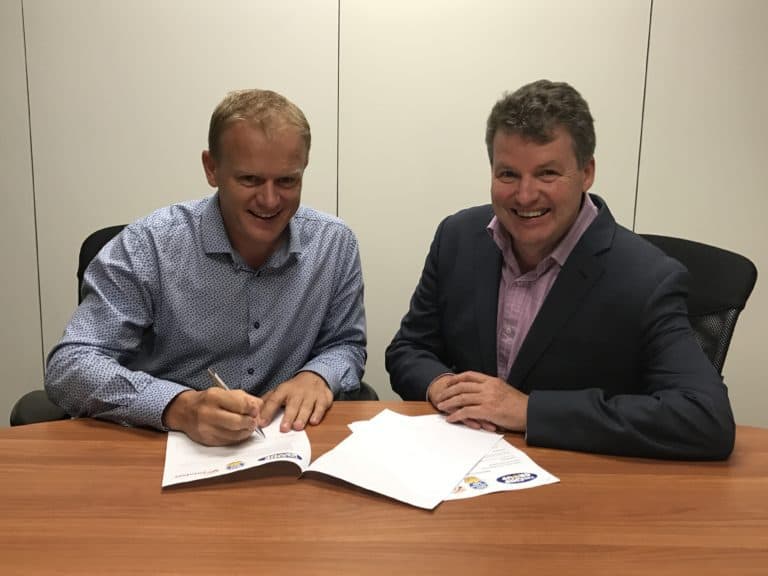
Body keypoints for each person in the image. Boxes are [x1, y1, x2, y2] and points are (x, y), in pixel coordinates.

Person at [386, 79, 734, 460]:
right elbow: (409, 347)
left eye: (547, 173)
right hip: (462, 474)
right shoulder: (457, 238)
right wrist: (440, 384)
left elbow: (704, 417)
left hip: (581, 488)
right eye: (508, 174)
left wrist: (529, 410)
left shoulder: (647, 279)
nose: (525, 195)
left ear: (586, 173)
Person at [46, 89, 366, 446]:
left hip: (284, 447)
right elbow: (71, 365)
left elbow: (345, 343)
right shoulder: (149, 245)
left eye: (287, 181)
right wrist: (179, 407)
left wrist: (319, 375)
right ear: (211, 169)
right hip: (164, 448)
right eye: (250, 180)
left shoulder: (334, 244)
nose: (271, 199)